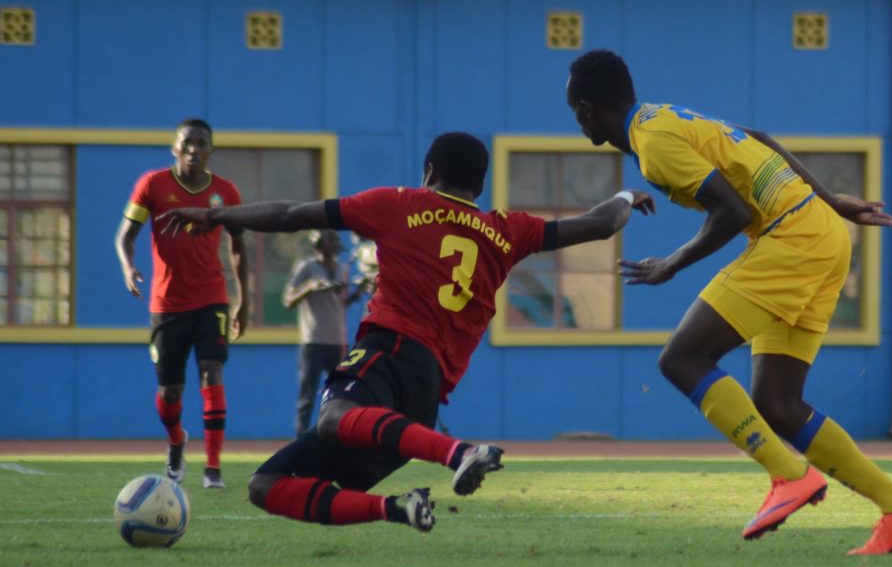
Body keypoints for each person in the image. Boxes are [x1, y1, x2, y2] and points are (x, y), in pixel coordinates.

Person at [157, 132, 654, 533]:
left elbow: (290, 215)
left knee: (331, 416)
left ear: (430, 173)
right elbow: (602, 223)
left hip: (388, 350)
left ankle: (457, 451)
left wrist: (215, 214)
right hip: (425, 396)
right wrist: (627, 193)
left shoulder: (396, 205)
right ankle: (398, 508)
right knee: (265, 484)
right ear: (479, 186)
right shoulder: (508, 230)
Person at [566, 50, 892, 555]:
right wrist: (829, 201)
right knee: (778, 405)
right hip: (819, 233)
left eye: (574, 112)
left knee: (682, 359)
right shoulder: (663, 115)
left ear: (587, 109)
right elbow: (758, 138)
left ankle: (788, 476)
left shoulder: (650, 144)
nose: (576, 121)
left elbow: (733, 212)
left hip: (791, 238)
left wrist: (671, 262)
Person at [115, 118, 249, 490]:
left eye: (201, 144)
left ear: (210, 151)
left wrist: (244, 300)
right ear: (174, 149)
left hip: (212, 300)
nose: (194, 150)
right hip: (167, 305)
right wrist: (128, 267)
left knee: (212, 371)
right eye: (187, 143)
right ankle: (177, 441)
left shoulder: (225, 192)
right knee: (170, 391)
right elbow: (125, 236)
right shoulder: (152, 185)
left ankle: (213, 469)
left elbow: (239, 246)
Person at [283, 229, 367, 438]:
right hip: (313, 341)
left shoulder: (341, 268)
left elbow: (339, 304)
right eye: (332, 241)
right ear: (318, 244)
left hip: (337, 343)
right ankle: (300, 441)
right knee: (307, 397)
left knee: (341, 395)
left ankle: (334, 438)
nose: (336, 246)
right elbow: (288, 301)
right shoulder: (307, 267)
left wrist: (357, 293)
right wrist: (310, 288)